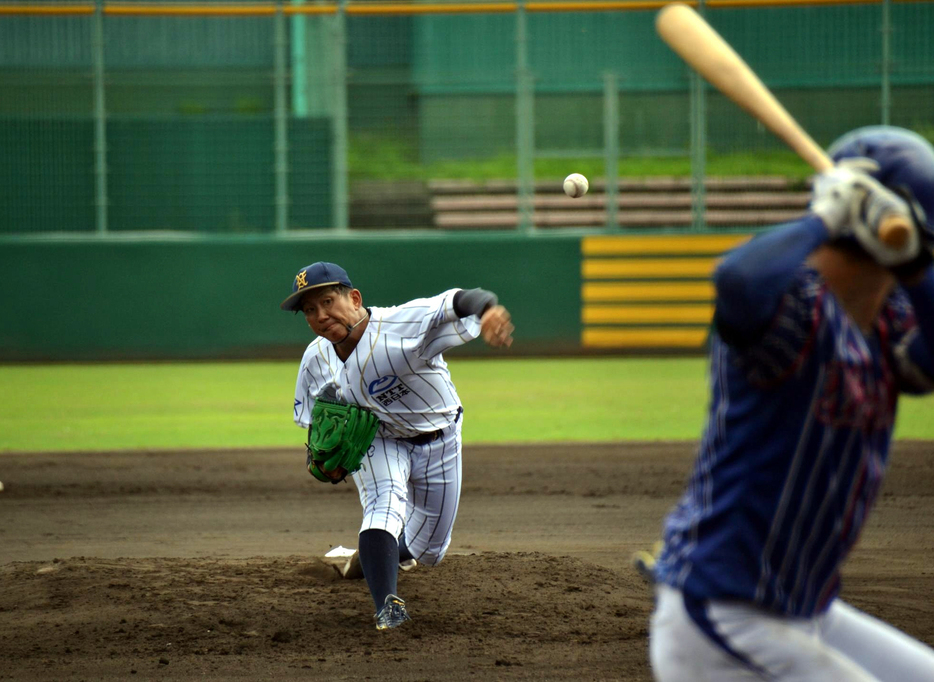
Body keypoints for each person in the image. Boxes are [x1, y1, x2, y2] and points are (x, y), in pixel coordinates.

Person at [648, 126, 934, 681]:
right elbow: (735, 280)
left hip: (807, 611)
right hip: (723, 617)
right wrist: (824, 221)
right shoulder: (793, 313)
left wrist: (915, 261)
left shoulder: (889, 327)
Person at [280, 261, 514, 631]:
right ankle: (387, 606)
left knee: (429, 550)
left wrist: (488, 310)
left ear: (354, 299)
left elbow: (458, 300)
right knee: (383, 503)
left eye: (327, 302)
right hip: (380, 439)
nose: (320, 315)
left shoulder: (401, 325)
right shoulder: (315, 359)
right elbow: (313, 424)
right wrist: (320, 455)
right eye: (309, 310)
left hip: (440, 437)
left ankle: (367, 558)